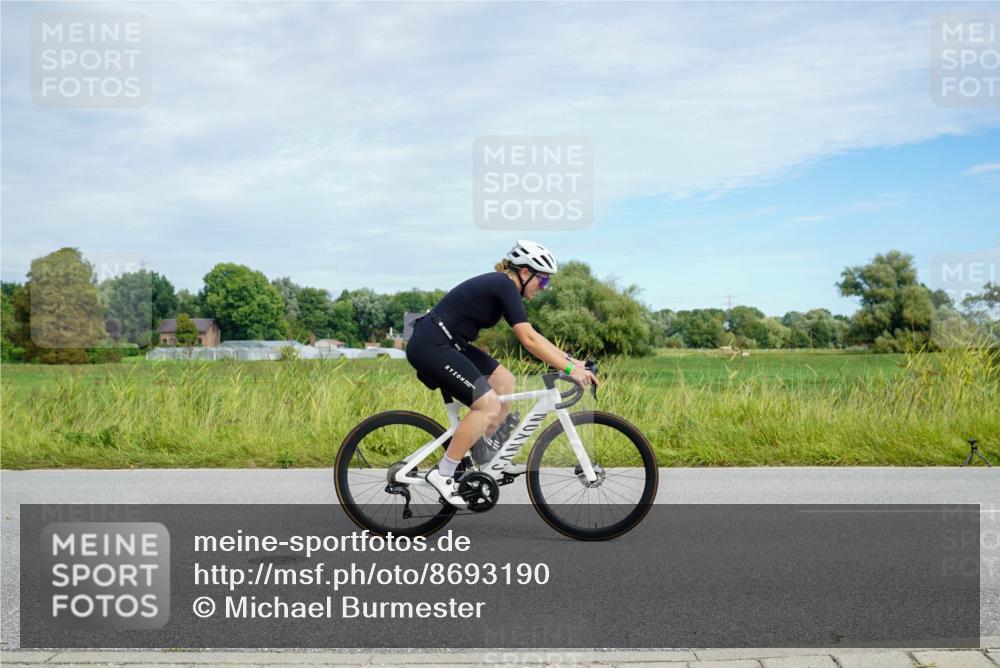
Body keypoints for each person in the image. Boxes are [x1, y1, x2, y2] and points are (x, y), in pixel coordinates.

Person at [405, 240, 598, 508]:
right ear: (525, 272)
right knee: (488, 405)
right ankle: (443, 473)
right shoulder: (504, 285)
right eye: (542, 280)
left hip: (451, 343)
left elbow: (533, 335)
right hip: (431, 345)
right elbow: (528, 340)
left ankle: (487, 457)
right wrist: (569, 370)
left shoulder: (505, 287)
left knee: (504, 381)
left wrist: (573, 362)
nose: (544, 288)